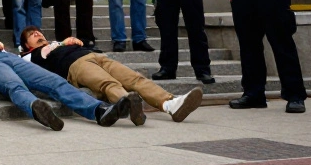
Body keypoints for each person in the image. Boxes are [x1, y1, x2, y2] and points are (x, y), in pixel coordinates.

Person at [0, 34, 130, 131]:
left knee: (54, 81)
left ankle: (99, 111)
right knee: (14, 86)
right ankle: (36, 108)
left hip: (9, 59)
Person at [19, 27, 203, 124]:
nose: (36, 33)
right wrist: (62, 43)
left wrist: (68, 42)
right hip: (74, 66)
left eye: (37, 31)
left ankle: (170, 104)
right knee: (108, 83)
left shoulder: (57, 43)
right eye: (31, 35)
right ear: (27, 45)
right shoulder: (31, 56)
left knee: (134, 78)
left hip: (94, 56)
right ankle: (131, 106)